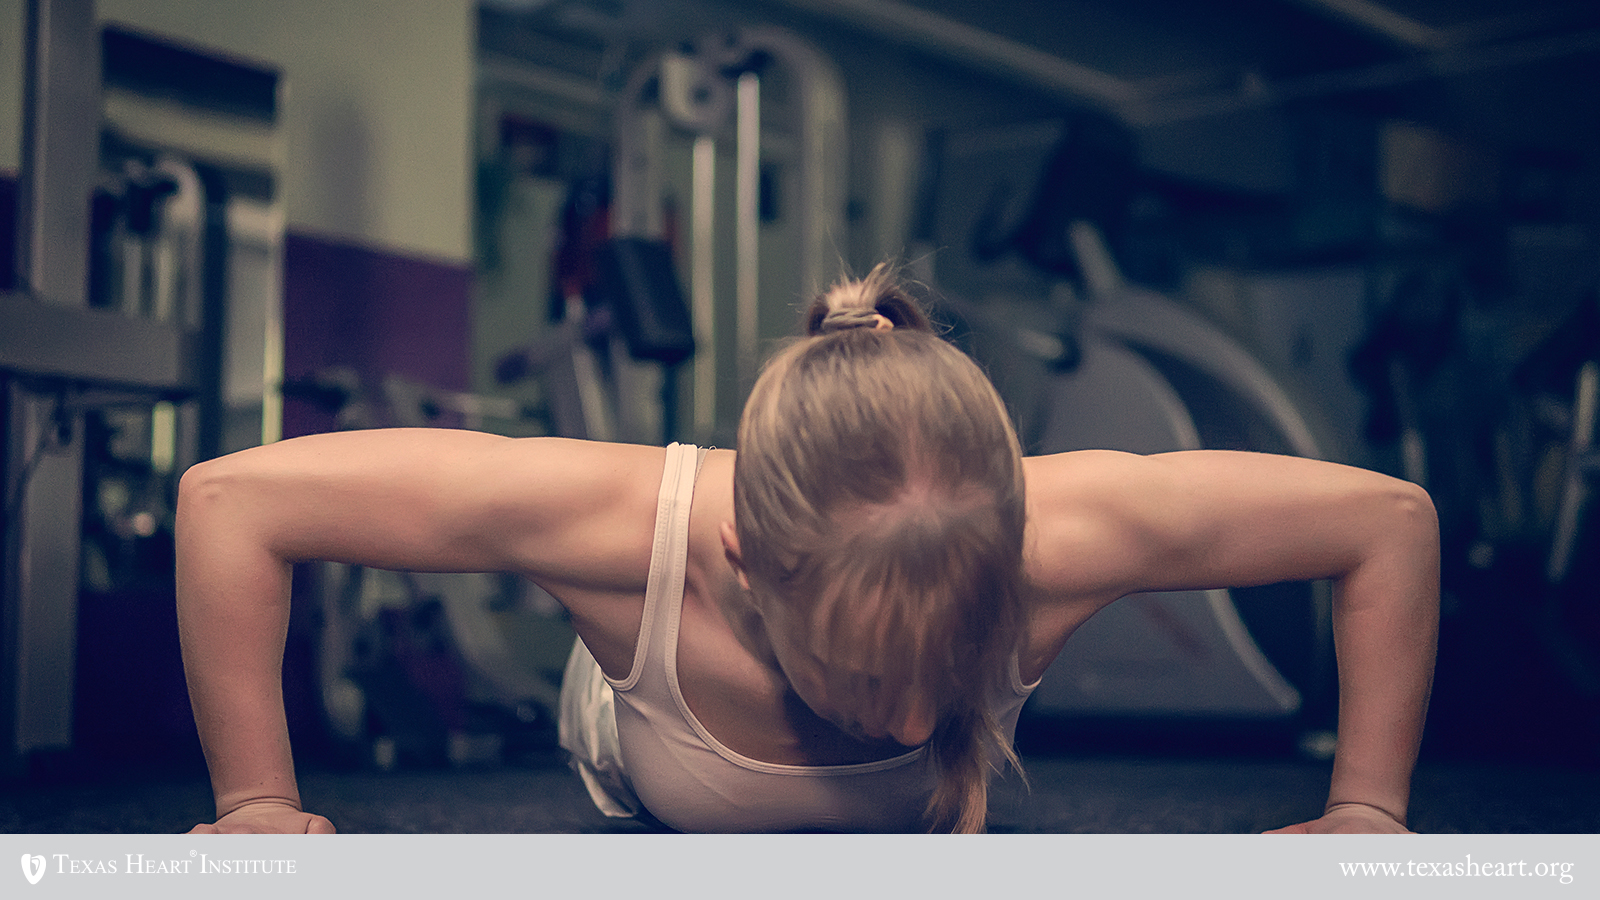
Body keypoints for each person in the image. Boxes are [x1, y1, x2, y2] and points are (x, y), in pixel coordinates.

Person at [177, 263, 1439, 834]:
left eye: (937, 664)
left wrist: (1367, 811)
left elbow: (1387, 524)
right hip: (634, 722)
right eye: (858, 669)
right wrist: (256, 808)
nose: (901, 723)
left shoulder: (1065, 533)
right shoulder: (622, 523)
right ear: (743, 560)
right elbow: (233, 505)